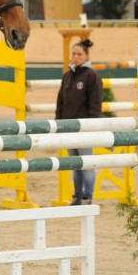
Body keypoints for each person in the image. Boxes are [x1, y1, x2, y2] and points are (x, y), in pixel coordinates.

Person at [55, 39, 103, 206]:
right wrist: (58, 124)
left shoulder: (92, 76)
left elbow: (95, 104)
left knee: (87, 163)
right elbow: (60, 101)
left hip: (85, 129)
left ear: (86, 56)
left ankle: (87, 196)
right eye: (74, 54)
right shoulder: (67, 76)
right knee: (76, 164)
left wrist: (93, 127)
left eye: (79, 54)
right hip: (68, 127)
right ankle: (77, 195)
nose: (76, 57)